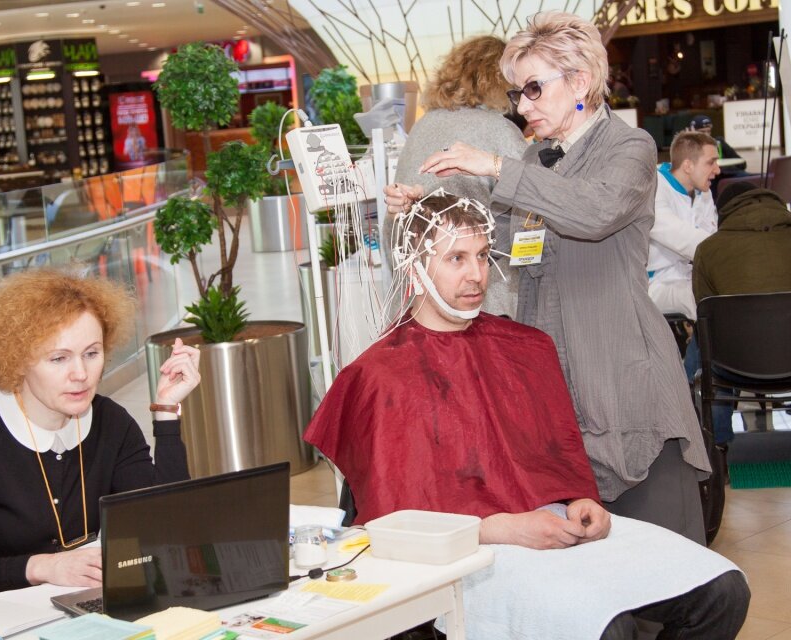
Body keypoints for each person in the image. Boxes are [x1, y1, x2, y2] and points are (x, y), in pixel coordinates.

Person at [305, 192, 749, 640]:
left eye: (482, 255)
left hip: (552, 525)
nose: (477, 274)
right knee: (607, 629)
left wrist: (582, 502)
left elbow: (559, 457)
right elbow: (395, 518)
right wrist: (504, 528)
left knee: (723, 591)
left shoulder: (525, 348)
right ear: (414, 269)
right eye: (456, 258)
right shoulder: (379, 376)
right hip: (467, 551)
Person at [384, 11, 711, 543]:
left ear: (580, 82)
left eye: (534, 88)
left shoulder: (630, 149)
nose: (523, 106)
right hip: (554, 383)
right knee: (585, 572)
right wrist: (429, 207)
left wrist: (497, 167)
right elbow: (504, 242)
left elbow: (594, 211)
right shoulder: (537, 159)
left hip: (622, 378)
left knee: (662, 562)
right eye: (518, 93)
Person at [0, 269, 200, 611]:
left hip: (72, 613)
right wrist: (41, 567)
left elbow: (166, 529)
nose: (81, 374)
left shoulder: (111, 423)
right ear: (18, 360)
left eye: (91, 353)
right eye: (59, 358)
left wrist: (166, 410)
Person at [386, 35, 527, 317]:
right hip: (484, 301)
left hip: (423, 301)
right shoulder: (500, 131)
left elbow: (397, 224)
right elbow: (529, 217)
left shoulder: (421, 127)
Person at [690, 181, 791, 444]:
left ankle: (715, 446)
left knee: (702, 344)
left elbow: (705, 313)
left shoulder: (708, 250)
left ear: (723, 213)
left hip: (736, 365)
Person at [647, 130, 720, 320]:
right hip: (656, 284)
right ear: (688, 165)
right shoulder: (653, 188)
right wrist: (730, 251)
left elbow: (711, 238)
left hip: (689, 275)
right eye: (711, 162)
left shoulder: (703, 192)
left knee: (728, 288)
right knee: (707, 300)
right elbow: (688, 241)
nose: (717, 170)